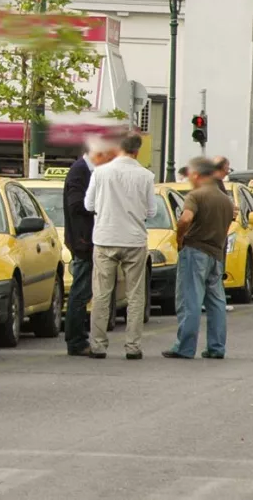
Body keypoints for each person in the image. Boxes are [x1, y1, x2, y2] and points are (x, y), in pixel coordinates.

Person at [84, 133, 157, 360]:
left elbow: (88, 204)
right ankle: (133, 346)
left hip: (105, 238)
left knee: (101, 294)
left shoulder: (100, 172)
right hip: (134, 240)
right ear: (137, 151)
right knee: (135, 295)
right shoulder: (146, 176)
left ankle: (98, 345)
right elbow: (152, 211)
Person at [162, 158, 235, 360]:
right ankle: (216, 347)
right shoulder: (225, 200)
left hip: (195, 250)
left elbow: (185, 218)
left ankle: (185, 347)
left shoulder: (196, 195)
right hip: (216, 253)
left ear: (196, 175)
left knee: (190, 299)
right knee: (216, 301)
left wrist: (180, 237)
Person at [63, 138, 117, 357]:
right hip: (83, 240)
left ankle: (78, 337)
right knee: (81, 291)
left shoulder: (87, 170)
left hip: (87, 238)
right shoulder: (80, 172)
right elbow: (76, 205)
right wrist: (99, 207)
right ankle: (76, 340)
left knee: (85, 290)